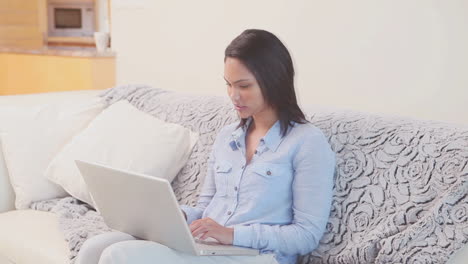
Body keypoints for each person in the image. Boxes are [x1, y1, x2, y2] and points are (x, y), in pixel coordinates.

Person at [76, 29, 336, 264]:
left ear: (274, 81)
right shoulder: (227, 137)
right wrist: (173, 217)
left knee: (118, 255)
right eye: (229, 84)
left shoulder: (307, 143)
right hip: (210, 248)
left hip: (259, 256)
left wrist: (231, 234)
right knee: (94, 247)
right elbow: (206, 207)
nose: (233, 96)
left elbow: (306, 235)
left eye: (244, 86)